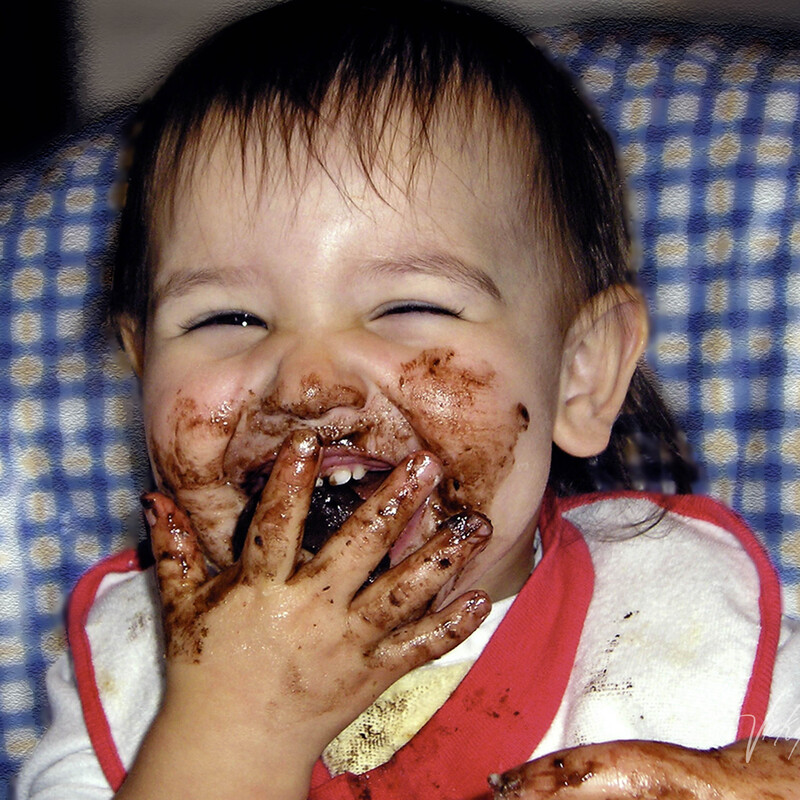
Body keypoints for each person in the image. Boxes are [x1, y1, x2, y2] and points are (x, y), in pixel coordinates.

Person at [15, 0, 800, 798]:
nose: (307, 384)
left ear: (580, 375)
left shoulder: (689, 632)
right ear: (142, 369)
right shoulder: (132, 672)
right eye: (228, 318)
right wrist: (233, 725)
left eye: (408, 306)